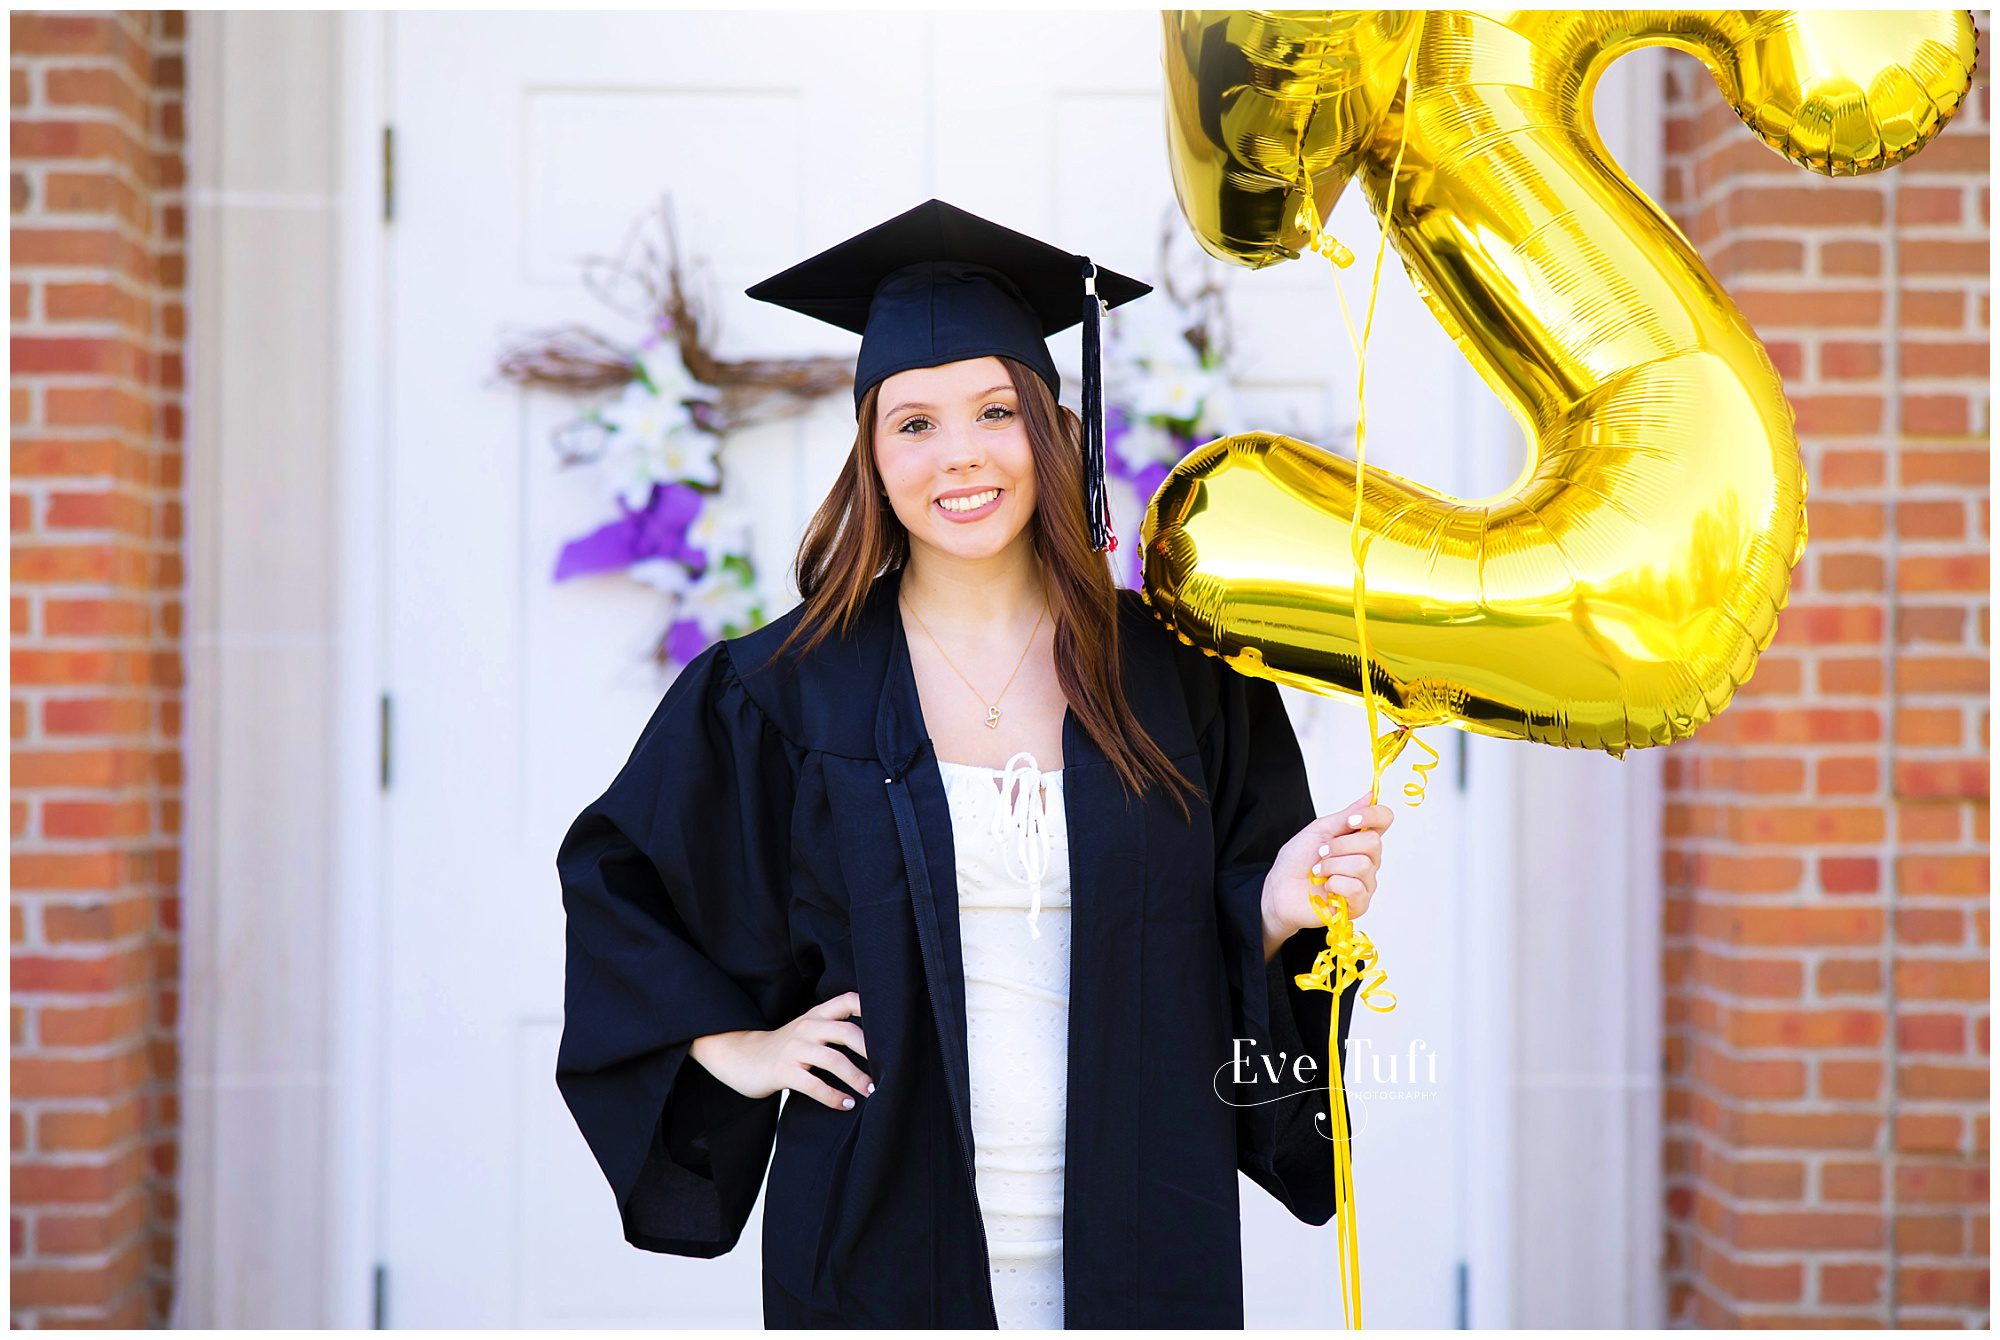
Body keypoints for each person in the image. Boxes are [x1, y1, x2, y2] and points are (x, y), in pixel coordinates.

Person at [554, 199, 1392, 1328]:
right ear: (870, 451)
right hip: (879, 1227)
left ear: (1048, 424)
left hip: (1141, 1226)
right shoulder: (780, 691)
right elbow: (621, 886)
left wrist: (1273, 906)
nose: (961, 455)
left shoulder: (1179, 673)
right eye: (914, 423)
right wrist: (737, 1048)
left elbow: (1200, 948)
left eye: (996, 410)